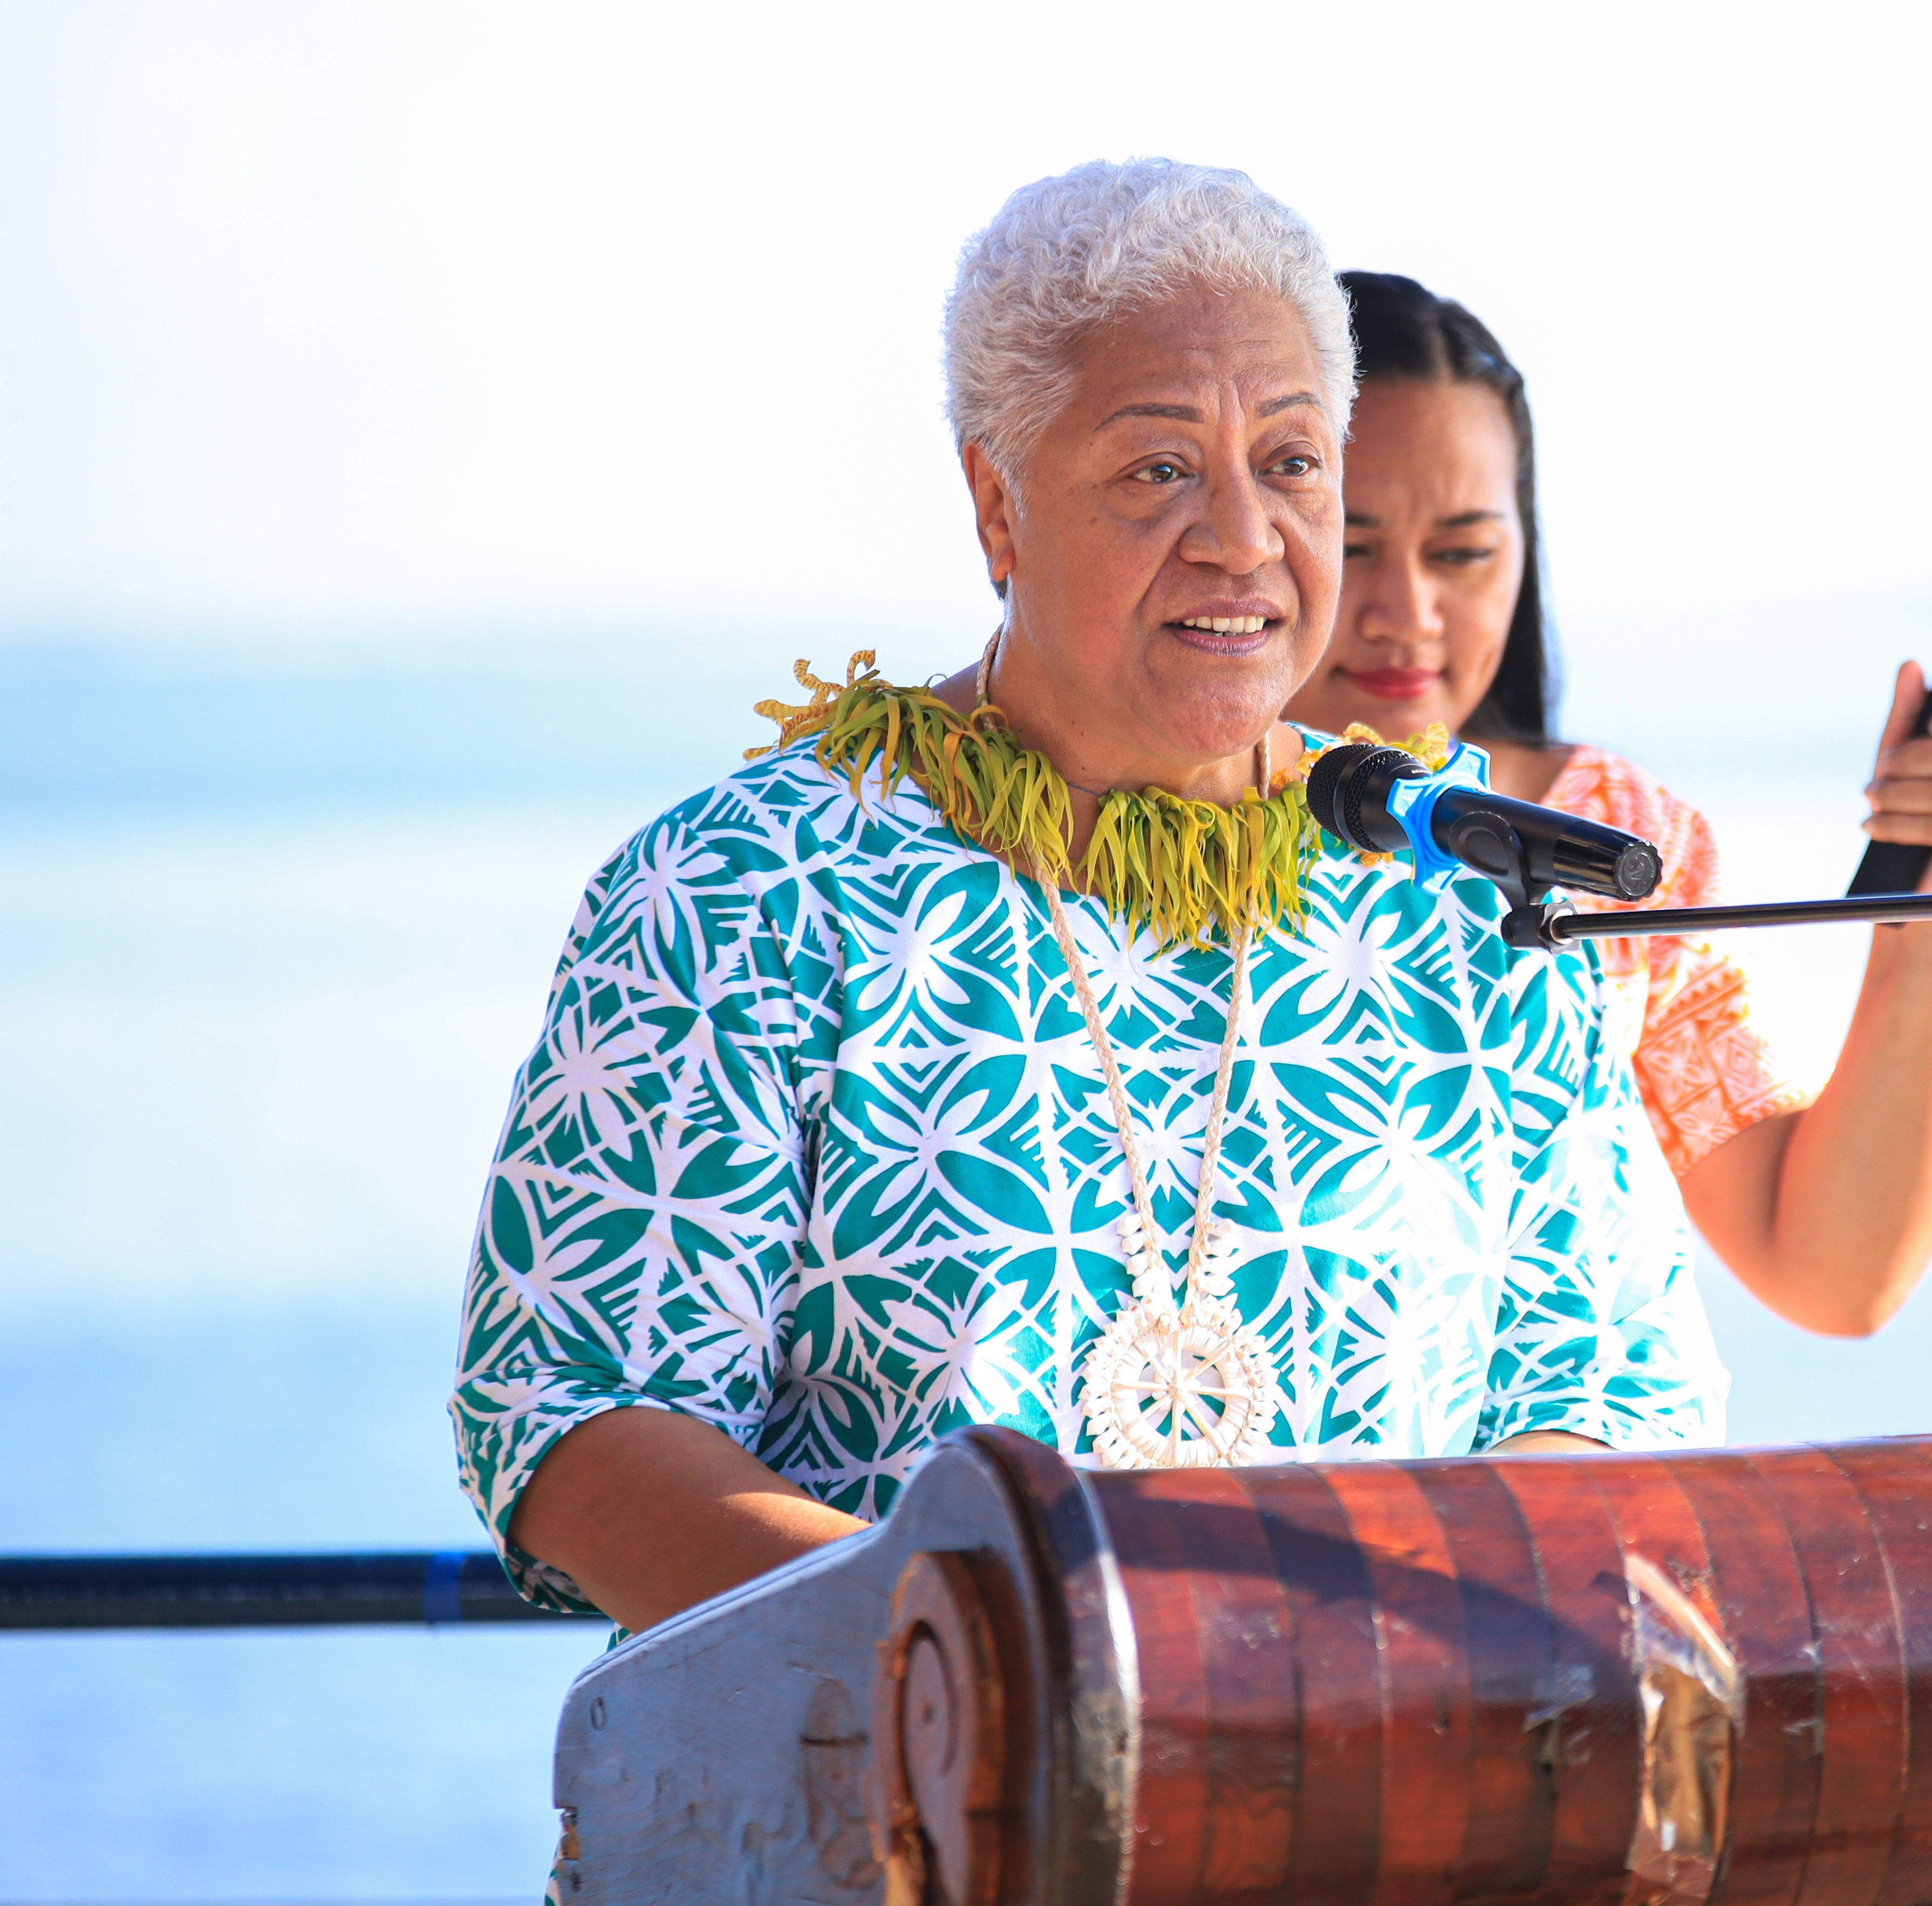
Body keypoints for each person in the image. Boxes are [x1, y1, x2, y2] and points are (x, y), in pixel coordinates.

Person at [450, 164, 1722, 1638]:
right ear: (996, 503)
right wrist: (1007, 1677)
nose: (1243, 536)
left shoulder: (1471, 915)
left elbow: (1612, 1393)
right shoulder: (745, 892)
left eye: (1296, 464)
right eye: (1157, 468)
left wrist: (1369, 1684)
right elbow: (579, 1412)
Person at [1288, 273, 1932, 1340]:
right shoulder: (1123, 815)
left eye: (1461, 552)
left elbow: (1826, 1263)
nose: (1406, 609)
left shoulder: (1613, 835)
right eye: (1353, 545)